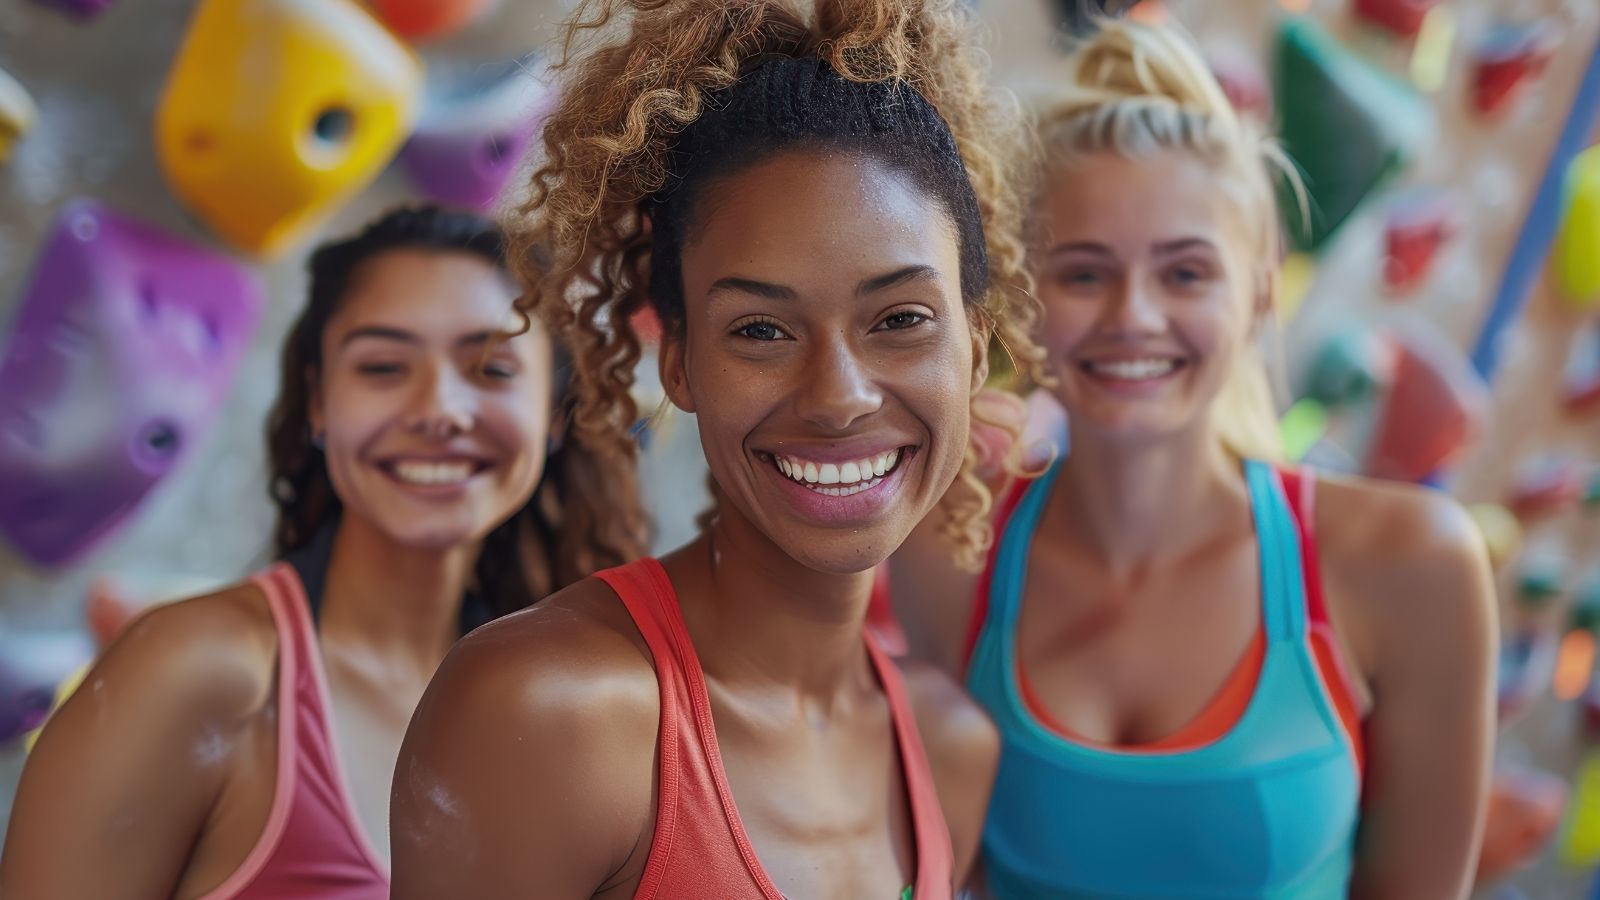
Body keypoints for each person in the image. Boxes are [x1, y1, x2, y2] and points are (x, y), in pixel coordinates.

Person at [388, 0, 1046, 895]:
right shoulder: (549, 716)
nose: (838, 395)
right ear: (680, 363)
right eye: (762, 331)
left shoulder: (948, 750)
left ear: (975, 345)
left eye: (899, 319)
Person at [889, 20, 1498, 899]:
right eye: (1086, 273)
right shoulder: (953, 546)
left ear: (1255, 294)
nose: (1133, 314)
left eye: (1184, 274)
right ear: (1027, 298)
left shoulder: (1411, 566)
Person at [1, 205, 637, 899]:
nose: (438, 409)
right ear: (318, 402)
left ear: (551, 415)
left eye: (490, 368)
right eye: (384, 366)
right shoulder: (201, 670)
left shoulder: (553, 715)